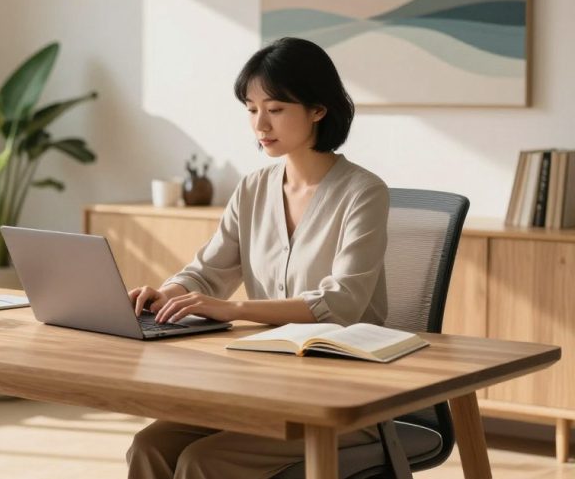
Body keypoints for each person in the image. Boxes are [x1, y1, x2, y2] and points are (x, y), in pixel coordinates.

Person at [126, 37, 389, 479]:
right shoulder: (252, 188)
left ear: (318, 109)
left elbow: (341, 302)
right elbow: (208, 272)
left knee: (203, 463)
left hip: (345, 393)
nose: (260, 124)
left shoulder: (364, 193)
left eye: (276, 109)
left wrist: (234, 309)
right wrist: (167, 294)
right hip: (263, 383)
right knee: (148, 446)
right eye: (251, 109)